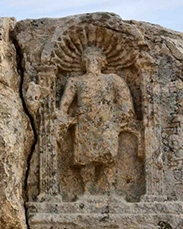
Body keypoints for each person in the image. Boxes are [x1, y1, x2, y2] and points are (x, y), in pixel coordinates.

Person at [57, 47, 134, 197]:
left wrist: (119, 117)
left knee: (109, 157)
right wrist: (63, 118)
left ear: (102, 63)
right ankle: (87, 191)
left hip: (107, 123)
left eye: (96, 60)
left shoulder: (113, 79)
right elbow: (64, 104)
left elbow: (126, 103)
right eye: (88, 60)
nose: (92, 63)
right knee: (86, 160)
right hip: (84, 123)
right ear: (83, 62)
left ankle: (111, 190)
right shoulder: (75, 81)